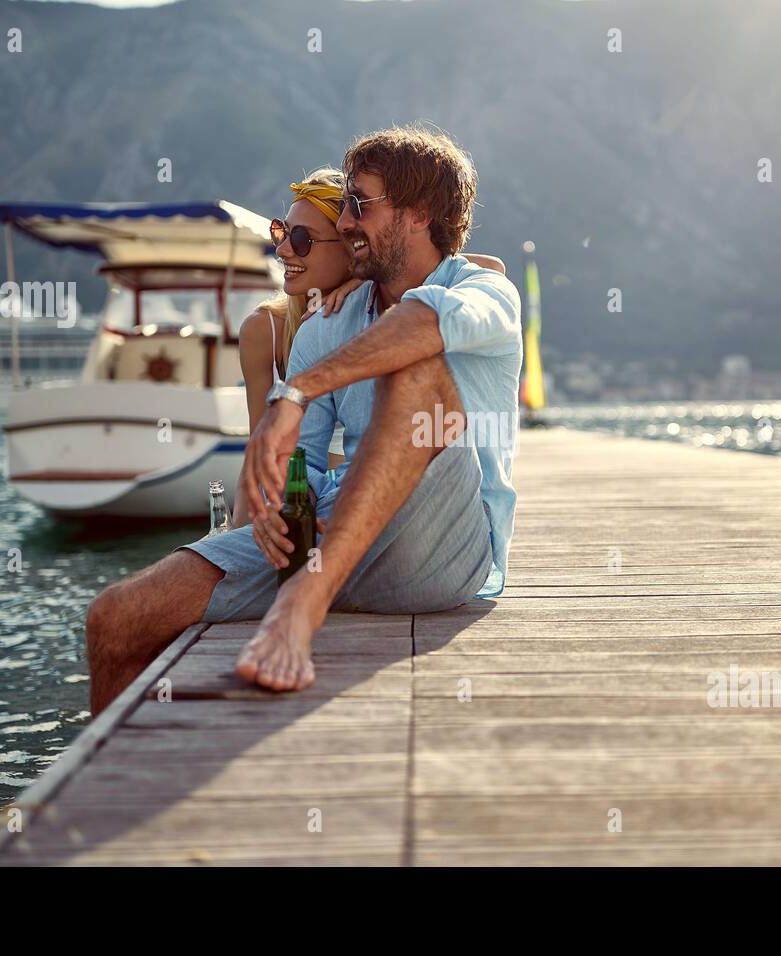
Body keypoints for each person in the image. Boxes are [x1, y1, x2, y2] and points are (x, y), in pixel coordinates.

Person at [85, 125, 521, 712]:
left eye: (359, 204)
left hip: (441, 553)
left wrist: (296, 394)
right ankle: (106, 794)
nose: (345, 222)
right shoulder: (324, 327)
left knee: (421, 373)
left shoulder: (486, 292)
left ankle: (300, 609)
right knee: (116, 617)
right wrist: (276, 504)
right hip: (331, 541)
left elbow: (425, 321)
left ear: (420, 213)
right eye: (344, 207)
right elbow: (306, 461)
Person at [234, 168, 504, 527]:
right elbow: (261, 455)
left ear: (351, 246)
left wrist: (359, 280)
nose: (282, 249)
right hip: (314, 513)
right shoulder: (265, 330)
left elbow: (490, 269)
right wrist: (238, 543)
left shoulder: (385, 310)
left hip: (383, 509)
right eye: (280, 231)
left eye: (302, 239)